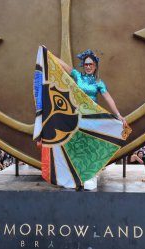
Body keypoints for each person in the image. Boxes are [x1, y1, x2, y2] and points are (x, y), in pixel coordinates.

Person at [55, 49, 127, 190]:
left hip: (92, 119)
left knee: (90, 147)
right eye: (86, 64)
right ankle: (74, 177)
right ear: (83, 65)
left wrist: (118, 114)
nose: (88, 66)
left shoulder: (99, 82)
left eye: (91, 64)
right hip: (77, 118)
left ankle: (91, 176)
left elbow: (108, 97)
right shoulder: (77, 76)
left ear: (95, 66)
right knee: (75, 147)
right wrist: (48, 53)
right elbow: (63, 65)